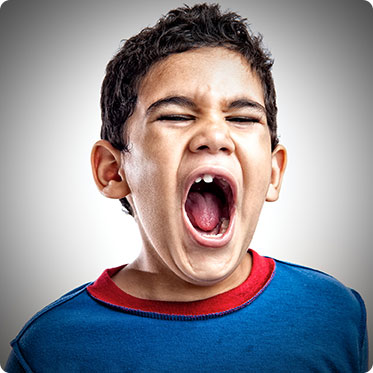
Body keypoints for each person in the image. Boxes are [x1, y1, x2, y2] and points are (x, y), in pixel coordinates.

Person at [5, 3, 368, 372]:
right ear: (113, 171)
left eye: (242, 117)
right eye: (176, 116)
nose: (214, 136)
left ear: (273, 174)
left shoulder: (335, 314)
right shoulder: (50, 349)